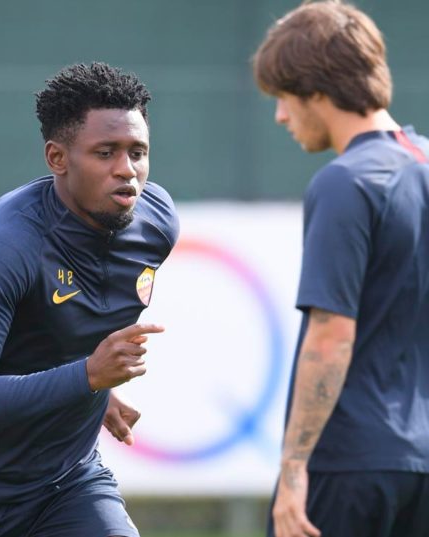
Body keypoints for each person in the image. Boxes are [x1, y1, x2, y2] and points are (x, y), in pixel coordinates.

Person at [0, 62, 179, 537]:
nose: (127, 171)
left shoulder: (156, 222)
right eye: (105, 152)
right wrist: (87, 377)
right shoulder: (6, 244)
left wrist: (94, 390)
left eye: (138, 152)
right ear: (57, 158)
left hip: (66, 484)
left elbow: (59, 328)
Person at [253, 2, 429, 536]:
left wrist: (293, 469)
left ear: (315, 90)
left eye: (284, 97)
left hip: (350, 463)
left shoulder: (346, 181)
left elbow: (330, 335)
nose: (281, 116)